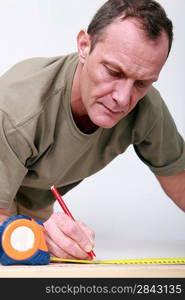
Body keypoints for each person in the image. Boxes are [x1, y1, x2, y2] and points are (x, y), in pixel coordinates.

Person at [0, 0, 184, 260]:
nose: (123, 98)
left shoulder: (146, 107)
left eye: (142, 83)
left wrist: (36, 232)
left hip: (28, 221)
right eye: (113, 72)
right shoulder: (15, 108)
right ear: (84, 47)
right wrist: (35, 234)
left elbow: (181, 181)